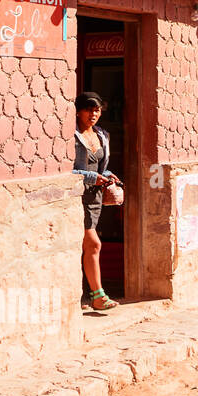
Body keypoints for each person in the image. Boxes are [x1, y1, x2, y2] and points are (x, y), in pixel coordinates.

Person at [72, 92, 121, 311]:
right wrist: (93, 177)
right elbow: (66, 170)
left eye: (97, 110)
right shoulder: (71, 136)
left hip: (95, 198)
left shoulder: (102, 135)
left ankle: (85, 295)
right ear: (78, 111)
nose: (93, 114)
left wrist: (108, 175)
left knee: (87, 245)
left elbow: (101, 167)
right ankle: (97, 296)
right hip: (77, 197)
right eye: (88, 109)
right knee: (93, 244)